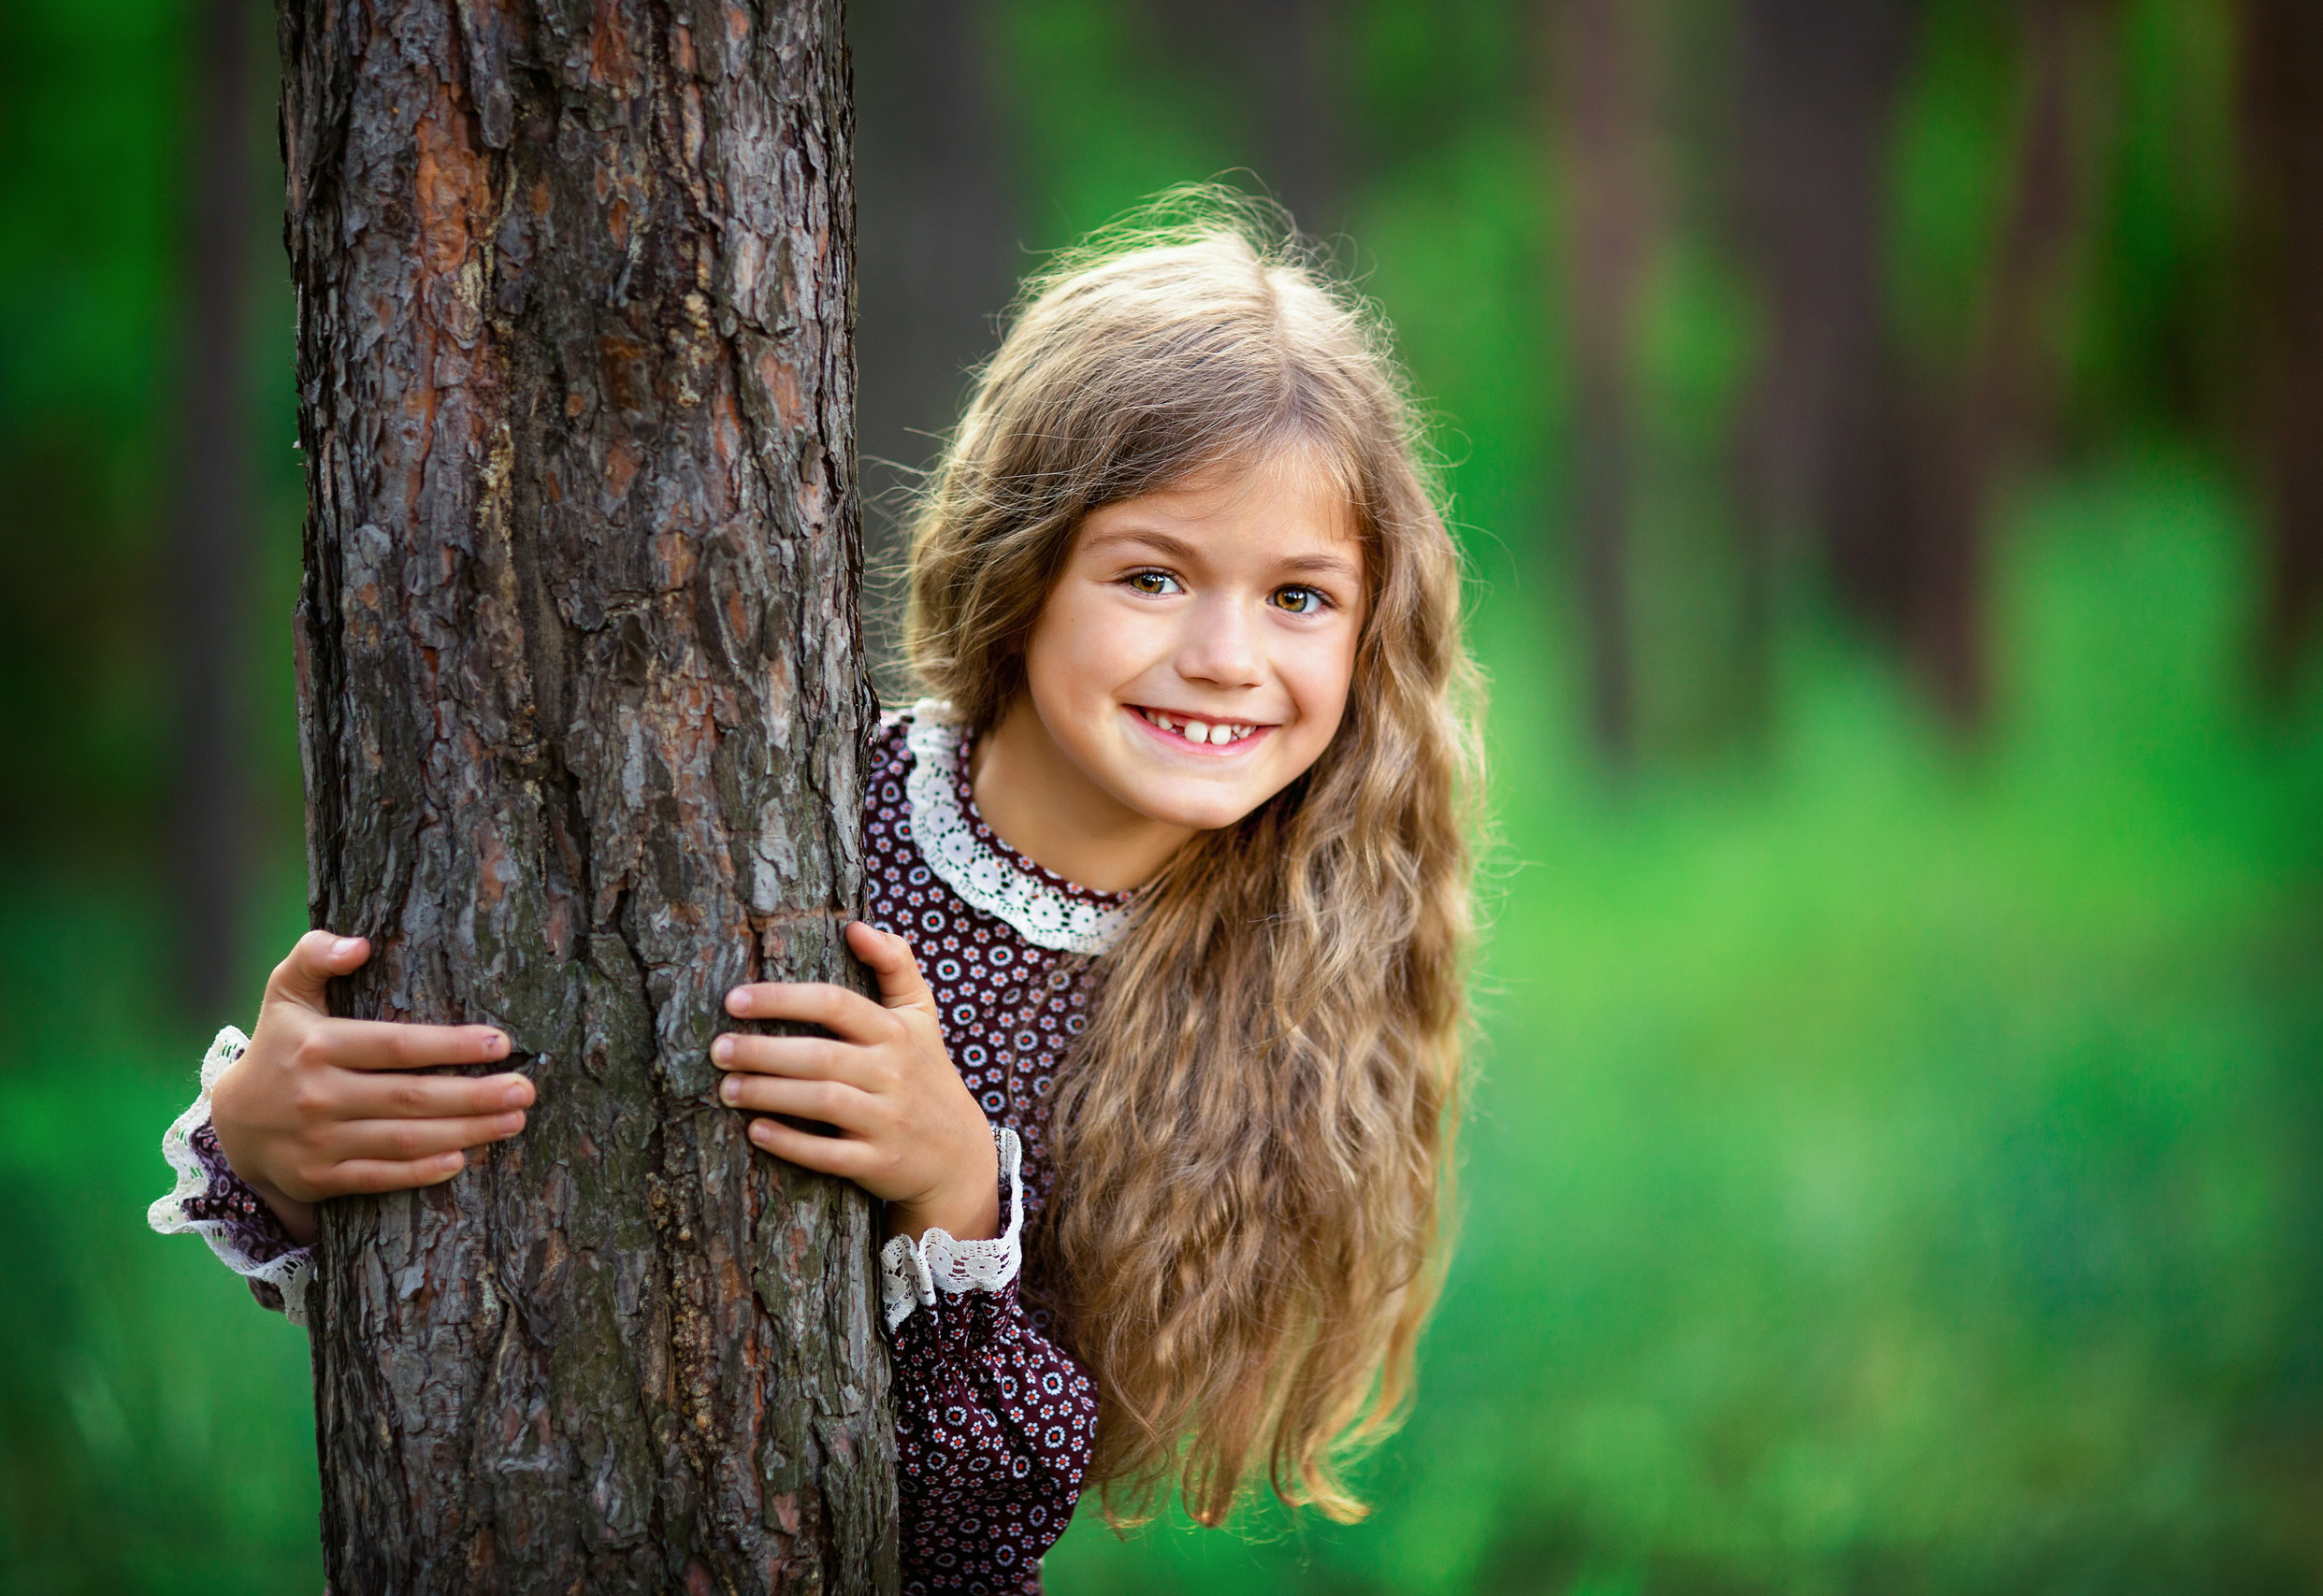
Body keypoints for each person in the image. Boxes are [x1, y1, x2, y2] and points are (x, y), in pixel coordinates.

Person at [151, 190, 1482, 1595]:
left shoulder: (1279, 1000)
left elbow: (980, 1532)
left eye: (1299, 597)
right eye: (1151, 575)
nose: (1224, 654)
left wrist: (958, 1194)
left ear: (1370, 623)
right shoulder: (773, 788)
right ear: (1023, 571)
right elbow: (496, 1261)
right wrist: (270, 1146)